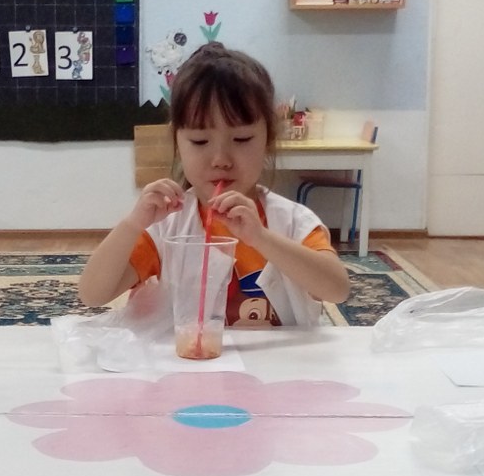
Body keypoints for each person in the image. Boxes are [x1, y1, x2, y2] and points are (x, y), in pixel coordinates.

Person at [77, 44, 349, 322]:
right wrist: (133, 224)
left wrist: (261, 238)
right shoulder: (168, 227)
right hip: (189, 351)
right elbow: (92, 295)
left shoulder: (292, 222)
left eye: (242, 139)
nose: (221, 159)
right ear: (178, 144)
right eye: (200, 141)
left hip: (280, 352)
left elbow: (337, 289)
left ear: (267, 139)